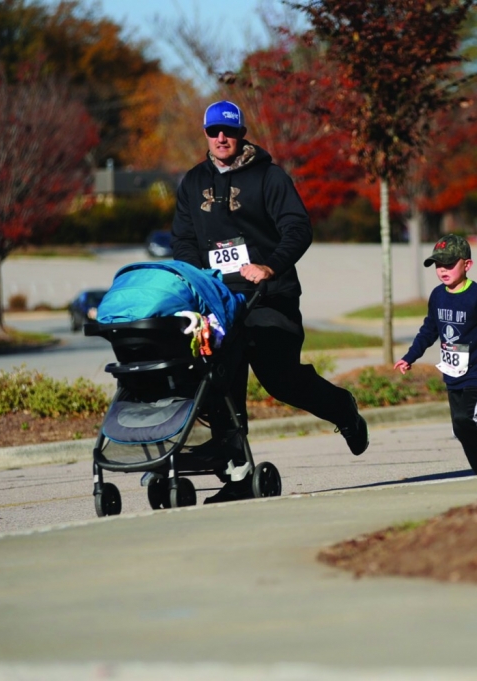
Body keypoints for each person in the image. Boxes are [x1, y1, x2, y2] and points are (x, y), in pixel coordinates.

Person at [172, 100, 368, 502]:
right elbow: (184, 241)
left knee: (281, 379)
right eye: (213, 132)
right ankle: (239, 478)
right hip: (219, 301)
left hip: (269, 297)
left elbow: (297, 228)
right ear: (206, 135)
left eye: (228, 131)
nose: (221, 138)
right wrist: (198, 281)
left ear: (241, 132)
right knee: (221, 385)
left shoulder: (269, 177)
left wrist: (269, 267)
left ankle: (342, 408)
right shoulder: (192, 183)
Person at [394, 235, 477, 474]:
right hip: (453, 371)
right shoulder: (438, 296)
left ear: (467, 265)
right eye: (438, 265)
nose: (443, 270)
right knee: (460, 427)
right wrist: (410, 356)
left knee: (468, 418)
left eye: (449, 264)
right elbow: (430, 329)